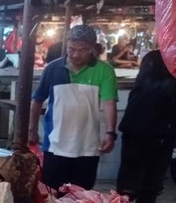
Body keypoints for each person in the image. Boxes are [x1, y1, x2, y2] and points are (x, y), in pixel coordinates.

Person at [29, 25, 118, 191]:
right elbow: (37, 101)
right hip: (55, 145)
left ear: (92, 48)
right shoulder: (53, 69)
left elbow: (109, 102)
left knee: (82, 199)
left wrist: (110, 132)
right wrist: (32, 129)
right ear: (66, 45)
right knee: (51, 195)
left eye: (83, 50)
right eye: (71, 49)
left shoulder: (104, 70)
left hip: (87, 147)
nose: (76, 54)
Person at [117, 50, 176, 203]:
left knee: (150, 191)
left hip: (165, 139)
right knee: (127, 192)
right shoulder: (155, 58)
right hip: (138, 134)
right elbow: (148, 86)